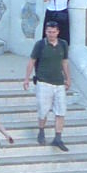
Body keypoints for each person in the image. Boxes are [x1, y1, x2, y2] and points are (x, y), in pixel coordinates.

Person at [24, 21, 72, 150]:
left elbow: (65, 62)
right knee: (43, 110)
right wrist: (26, 78)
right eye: (49, 32)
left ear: (58, 32)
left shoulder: (63, 44)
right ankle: (41, 130)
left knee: (61, 111)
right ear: (46, 32)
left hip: (59, 82)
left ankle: (58, 137)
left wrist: (68, 78)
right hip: (43, 82)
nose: (51, 34)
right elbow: (32, 61)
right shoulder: (40, 45)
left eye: (53, 32)